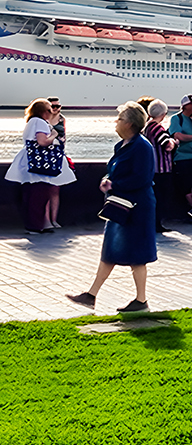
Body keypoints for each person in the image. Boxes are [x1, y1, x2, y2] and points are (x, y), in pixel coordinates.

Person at [66, 101, 157, 314]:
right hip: (119, 205)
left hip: (136, 207)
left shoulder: (143, 147)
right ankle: (91, 295)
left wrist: (115, 185)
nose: (116, 123)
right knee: (111, 250)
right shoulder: (123, 145)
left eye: (119, 119)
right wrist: (108, 179)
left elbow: (142, 178)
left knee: (137, 254)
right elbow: (114, 169)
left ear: (130, 123)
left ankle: (140, 300)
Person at [5, 98, 76, 234]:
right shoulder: (41, 122)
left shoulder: (31, 122)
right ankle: (37, 225)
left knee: (30, 193)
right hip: (42, 162)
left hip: (29, 160)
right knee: (40, 193)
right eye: (49, 110)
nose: (51, 113)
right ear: (44, 112)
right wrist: (54, 135)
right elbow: (43, 141)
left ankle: (35, 224)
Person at [168, 94, 192, 223]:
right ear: (185, 106)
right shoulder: (176, 119)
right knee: (185, 186)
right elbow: (178, 136)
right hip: (181, 157)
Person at [142, 99, 179, 232]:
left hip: (151, 168)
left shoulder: (146, 127)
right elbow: (167, 146)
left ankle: (152, 223)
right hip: (161, 169)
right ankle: (157, 224)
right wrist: (174, 142)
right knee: (161, 199)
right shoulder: (157, 128)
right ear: (163, 114)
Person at [42, 97, 74, 230]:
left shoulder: (62, 119)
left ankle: (54, 219)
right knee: (45, 189)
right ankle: (46, 220)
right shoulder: (42, 120)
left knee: (55, 190)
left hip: (58, 155)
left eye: (58, 106)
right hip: (44, 157)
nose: (56, 109)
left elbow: (64, 138)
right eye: (53, 106)